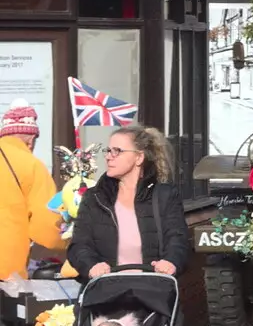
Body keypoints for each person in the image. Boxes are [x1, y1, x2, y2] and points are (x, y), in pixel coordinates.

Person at [68, 125, 189, 278]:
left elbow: (177, 239)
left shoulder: (165, 195)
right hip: (106, 292)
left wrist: (171, 262)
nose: (108, 156)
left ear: (139, 157)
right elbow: (78, 245)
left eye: (117, 151)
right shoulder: (94, 197)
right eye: (108, 150)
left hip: (152, 292)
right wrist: (91, 266)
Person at [0, 99, 62, 280]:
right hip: (6, 270)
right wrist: (69, 241)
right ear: (31, 140)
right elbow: (46, 230)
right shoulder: (31, 165)